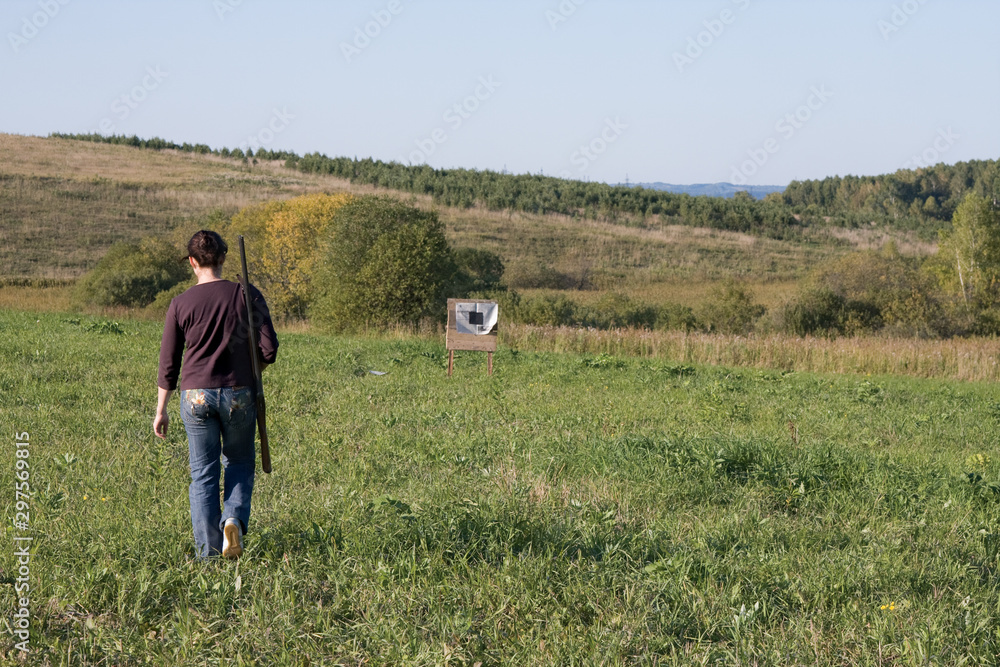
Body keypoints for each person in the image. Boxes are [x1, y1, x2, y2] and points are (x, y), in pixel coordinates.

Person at [153, 230, 278, 559]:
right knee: (238, 461)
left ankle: (207, 556)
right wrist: (251, 372)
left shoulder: (180, 303)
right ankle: (233, 519)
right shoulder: (246, 294)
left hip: (195, 397)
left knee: (203, 474)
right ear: (223, 258)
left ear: (192, 262)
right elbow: (269, 350)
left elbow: (169, 361)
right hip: (239, 395)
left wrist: (161, 409)